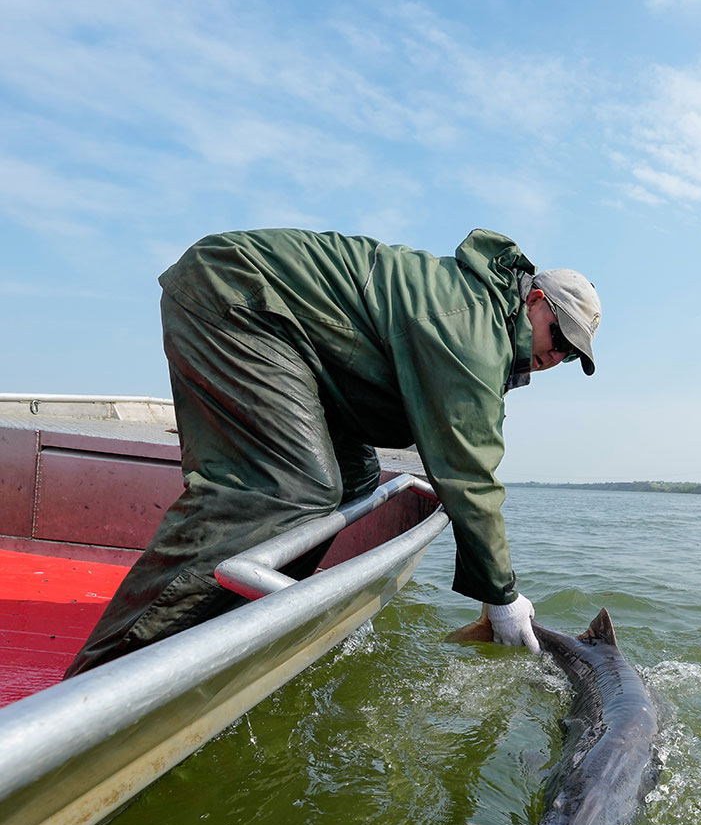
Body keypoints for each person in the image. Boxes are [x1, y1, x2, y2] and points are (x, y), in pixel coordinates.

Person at [65, 227, 601, 677]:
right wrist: (502, 596)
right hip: (241, 296)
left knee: (355, 477)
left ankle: (247, 618)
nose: (558, 356)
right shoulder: (469, 325)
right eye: (560, 337)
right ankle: (109, 676)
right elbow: (468, 472)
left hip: (303, 349)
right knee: (285, 490)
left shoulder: (486, 325)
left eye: (573, 355)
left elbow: (475, 442)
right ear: (533, 301)